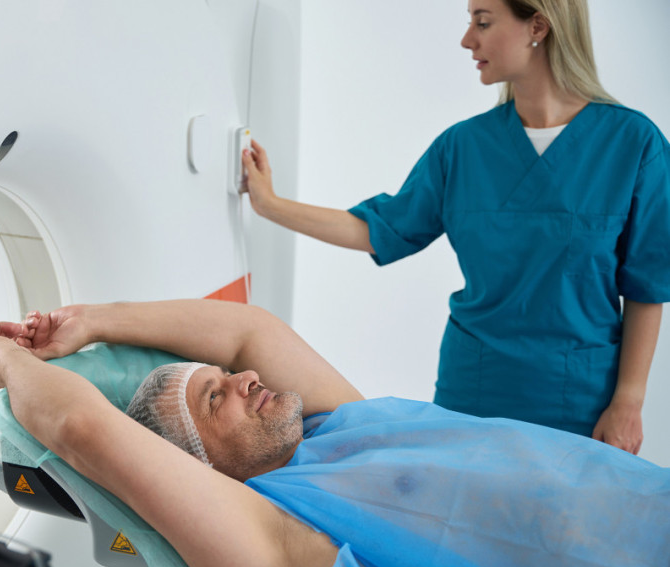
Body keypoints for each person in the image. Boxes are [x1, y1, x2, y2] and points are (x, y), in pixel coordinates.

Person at [0, 298, 670, 567]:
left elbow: (248, 332)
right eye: (216, 398)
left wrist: (90, 321)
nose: (244, 379)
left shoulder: (334, 426)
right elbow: (81, 427)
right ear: (198, 470)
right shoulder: (283, 538)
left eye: (226, 377)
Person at [241, 0, 670, 453]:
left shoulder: (633, 144)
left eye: (482, 22)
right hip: (474, 392)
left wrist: (629, 399)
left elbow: (647, 284)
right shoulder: (462, 147)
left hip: (581, 399)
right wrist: (270, 205)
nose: (467, 40)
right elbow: (379, 229)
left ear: (538, 27)